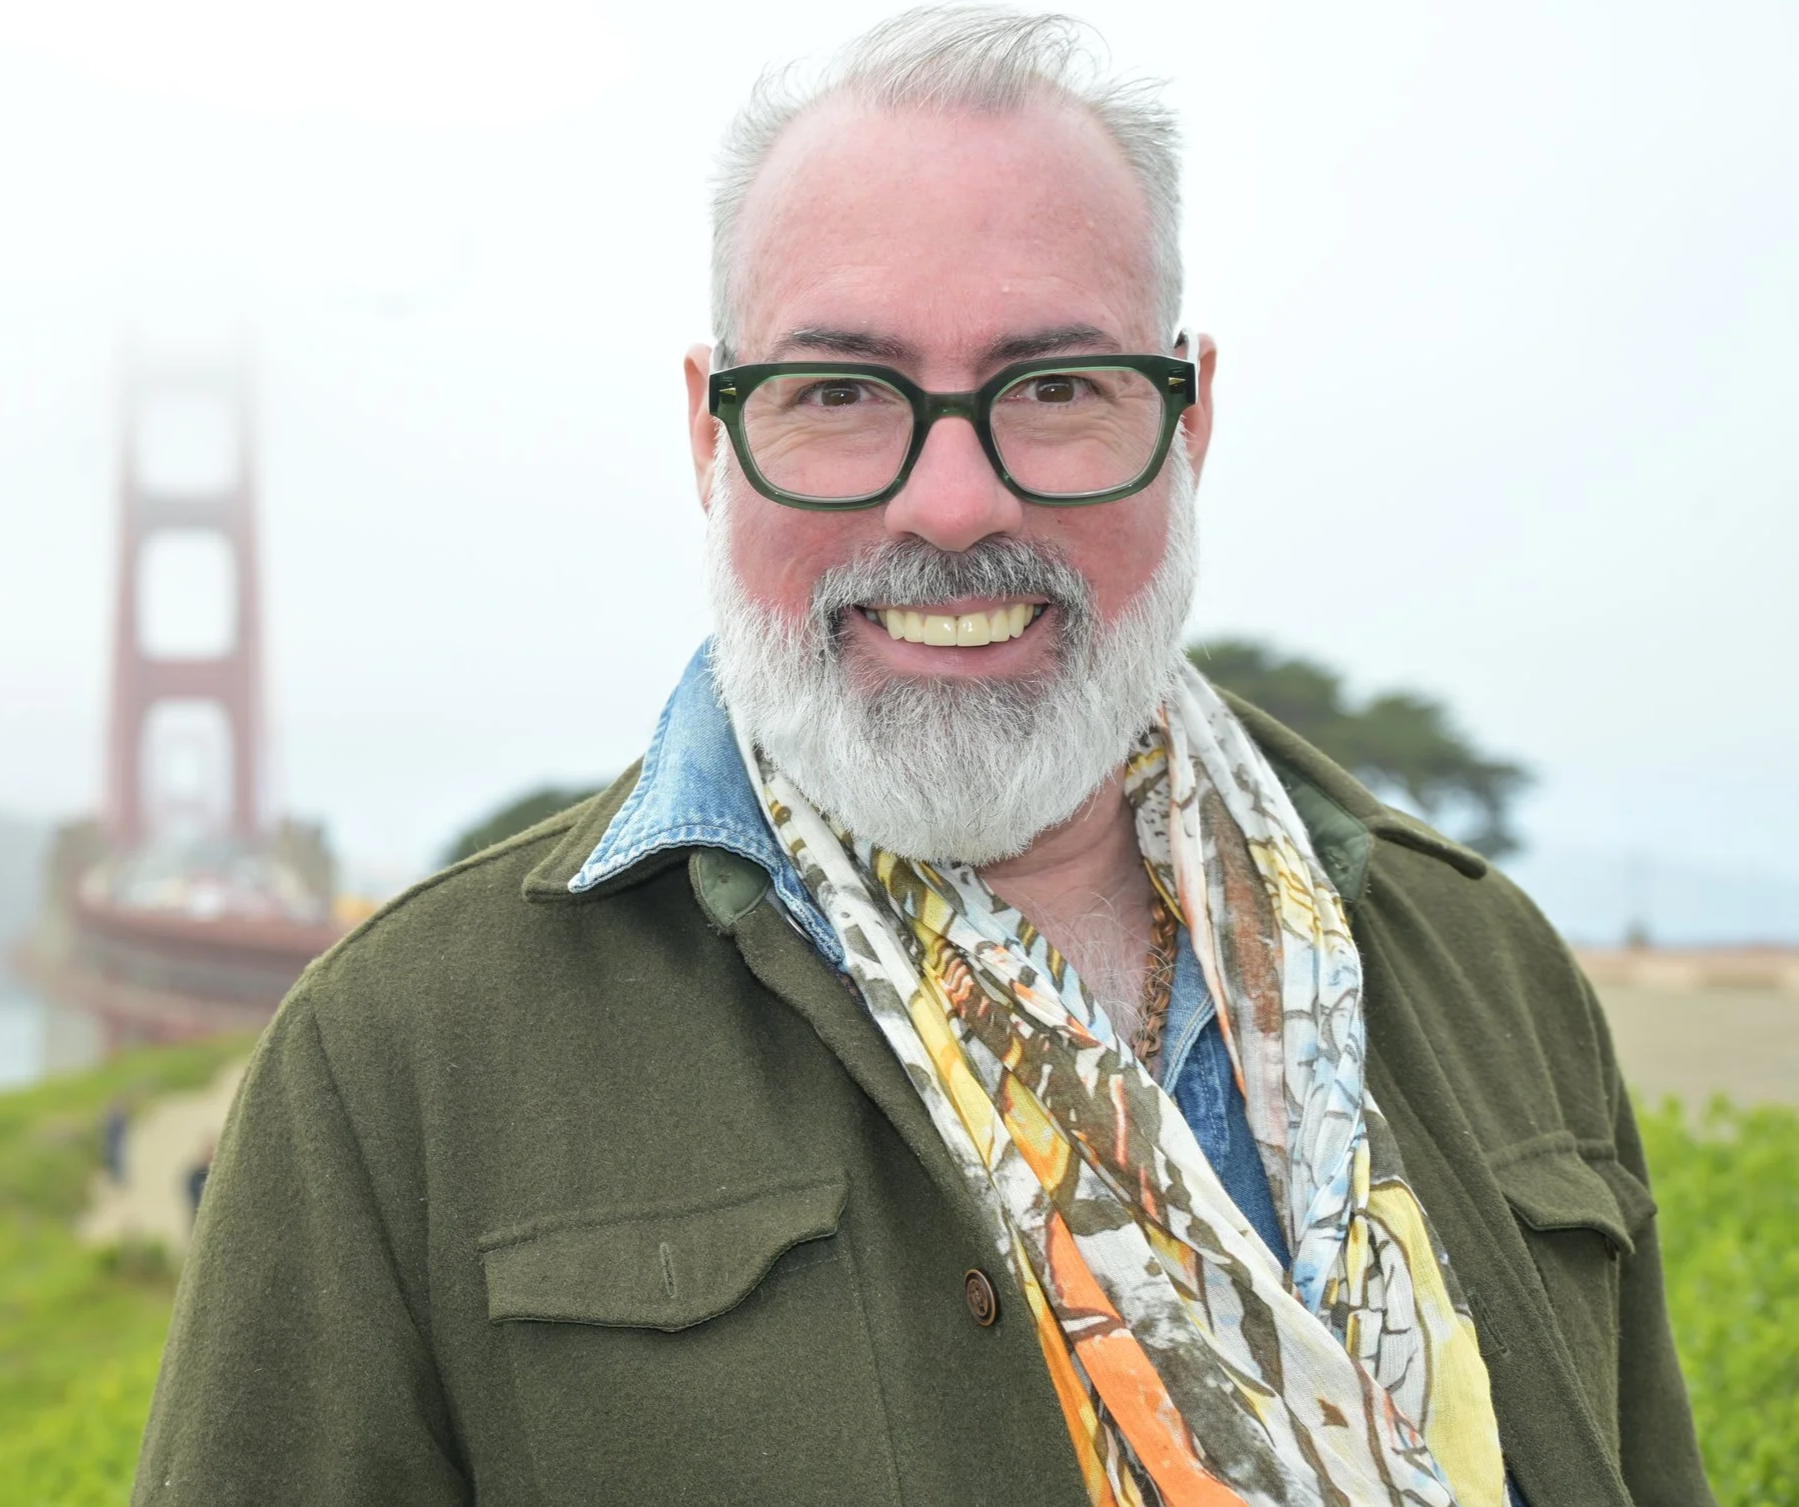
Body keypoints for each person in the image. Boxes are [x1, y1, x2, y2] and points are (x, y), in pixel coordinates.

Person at [133, 10, 1712, 1505]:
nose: (951, 504)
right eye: (835, 392)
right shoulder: (397, 1064)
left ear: (1193, 419)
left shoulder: (1485, 970)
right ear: (707, 433)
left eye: (1056, 387)